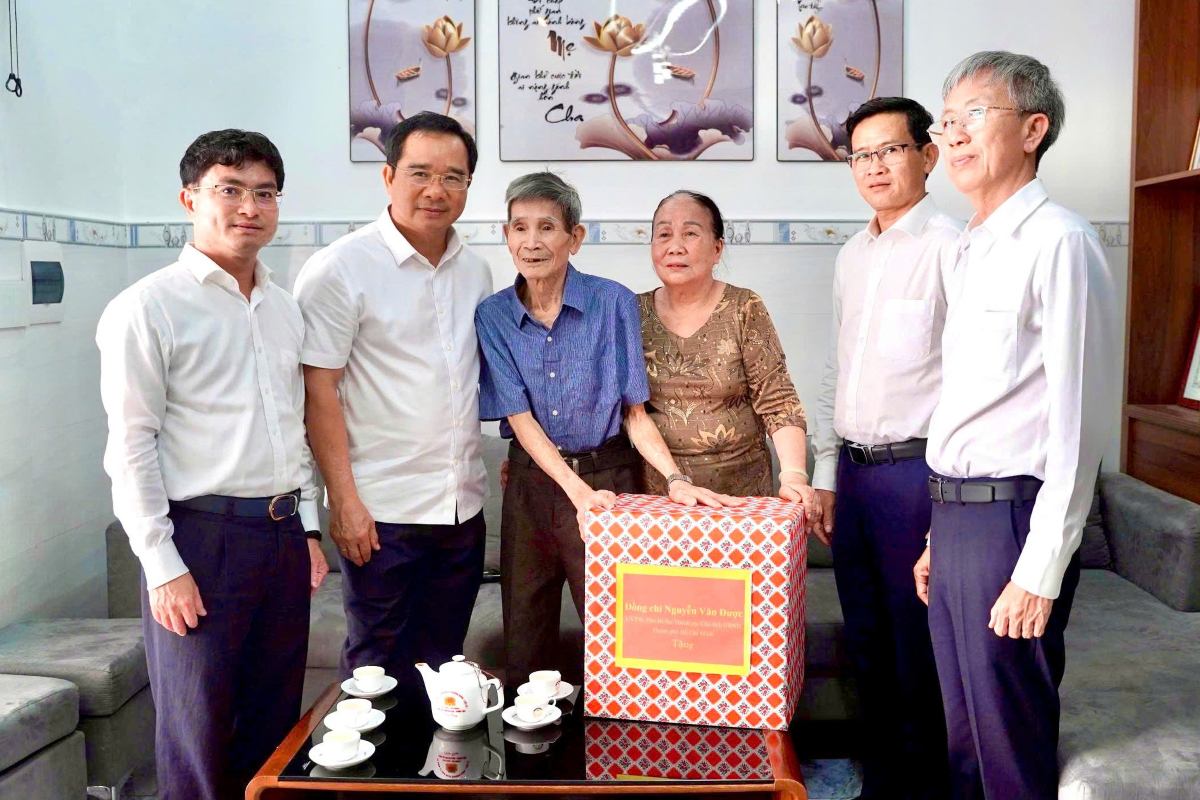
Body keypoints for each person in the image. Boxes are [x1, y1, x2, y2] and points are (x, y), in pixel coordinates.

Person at [97, 129, 328, 800]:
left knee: (274, 726)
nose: (249, 207)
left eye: (264, 193)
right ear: (189, 198)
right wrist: (161, 565)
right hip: (199, 539)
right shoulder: (147, 308)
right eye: (229, 190)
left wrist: (308, 530)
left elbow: (294, 427)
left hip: (280, 537)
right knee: (198, 732)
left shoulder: (284, 309)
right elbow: (131, 444)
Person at [913, 51, 1117, 799]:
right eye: (947, 117)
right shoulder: (970, 245)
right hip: (960, 516)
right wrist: (939, 531)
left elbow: (1077, 426)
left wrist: (1038, 571)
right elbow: (972, 403)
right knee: (964, 733)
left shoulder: (1060, 242)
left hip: (1015, 520)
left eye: (974, 114)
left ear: (1033, 128)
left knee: (1009, 739)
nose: (953, 133)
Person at [475, 172, 737, 689]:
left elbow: (635, 414)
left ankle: (620, 762)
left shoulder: (612, 302)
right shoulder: (493, 315)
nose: (532, 241)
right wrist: (574, 491)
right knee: (525, 640)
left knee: (620, 637)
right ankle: (533, 763)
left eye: (547, 227)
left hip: (611, 481)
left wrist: (675, 478)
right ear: (506, 236)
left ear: (575, 237)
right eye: (519, 228)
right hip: (534, 487)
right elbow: (519, 419)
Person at [294, 112, 492, 686]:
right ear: (388, 177)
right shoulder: (340, 268)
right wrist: (344, 501)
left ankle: (431, 778)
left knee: (443, 669)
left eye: (453, 177)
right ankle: (367, 779)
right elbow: (318, 391)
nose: (436, 190)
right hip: (382, 512)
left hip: (462, 508)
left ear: (468, 186)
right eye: (420, 173)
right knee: (374, 670)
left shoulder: (476, 271)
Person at [810, 96, 962, 800]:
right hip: (858, 475)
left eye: (890, 150)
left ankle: (922, 785)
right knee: (865, 638)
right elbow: (841, 370)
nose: (874, 166)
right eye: (861, 155)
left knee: (918, 648)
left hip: (918, 473)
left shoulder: (953, 247)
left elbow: (968, 381)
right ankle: (878, 781)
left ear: (926, 156)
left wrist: (944, 500)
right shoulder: (852, 254)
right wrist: (827, 475)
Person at [639, 190, 819, 525]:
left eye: (690, 233)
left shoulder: (743, 307)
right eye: (663, 234)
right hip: (661, 500)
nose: (674, 246)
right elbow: (624, 412)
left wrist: (794, 475)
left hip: (743, 501)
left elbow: (778, 400)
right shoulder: (632, 313)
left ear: (717, 248)